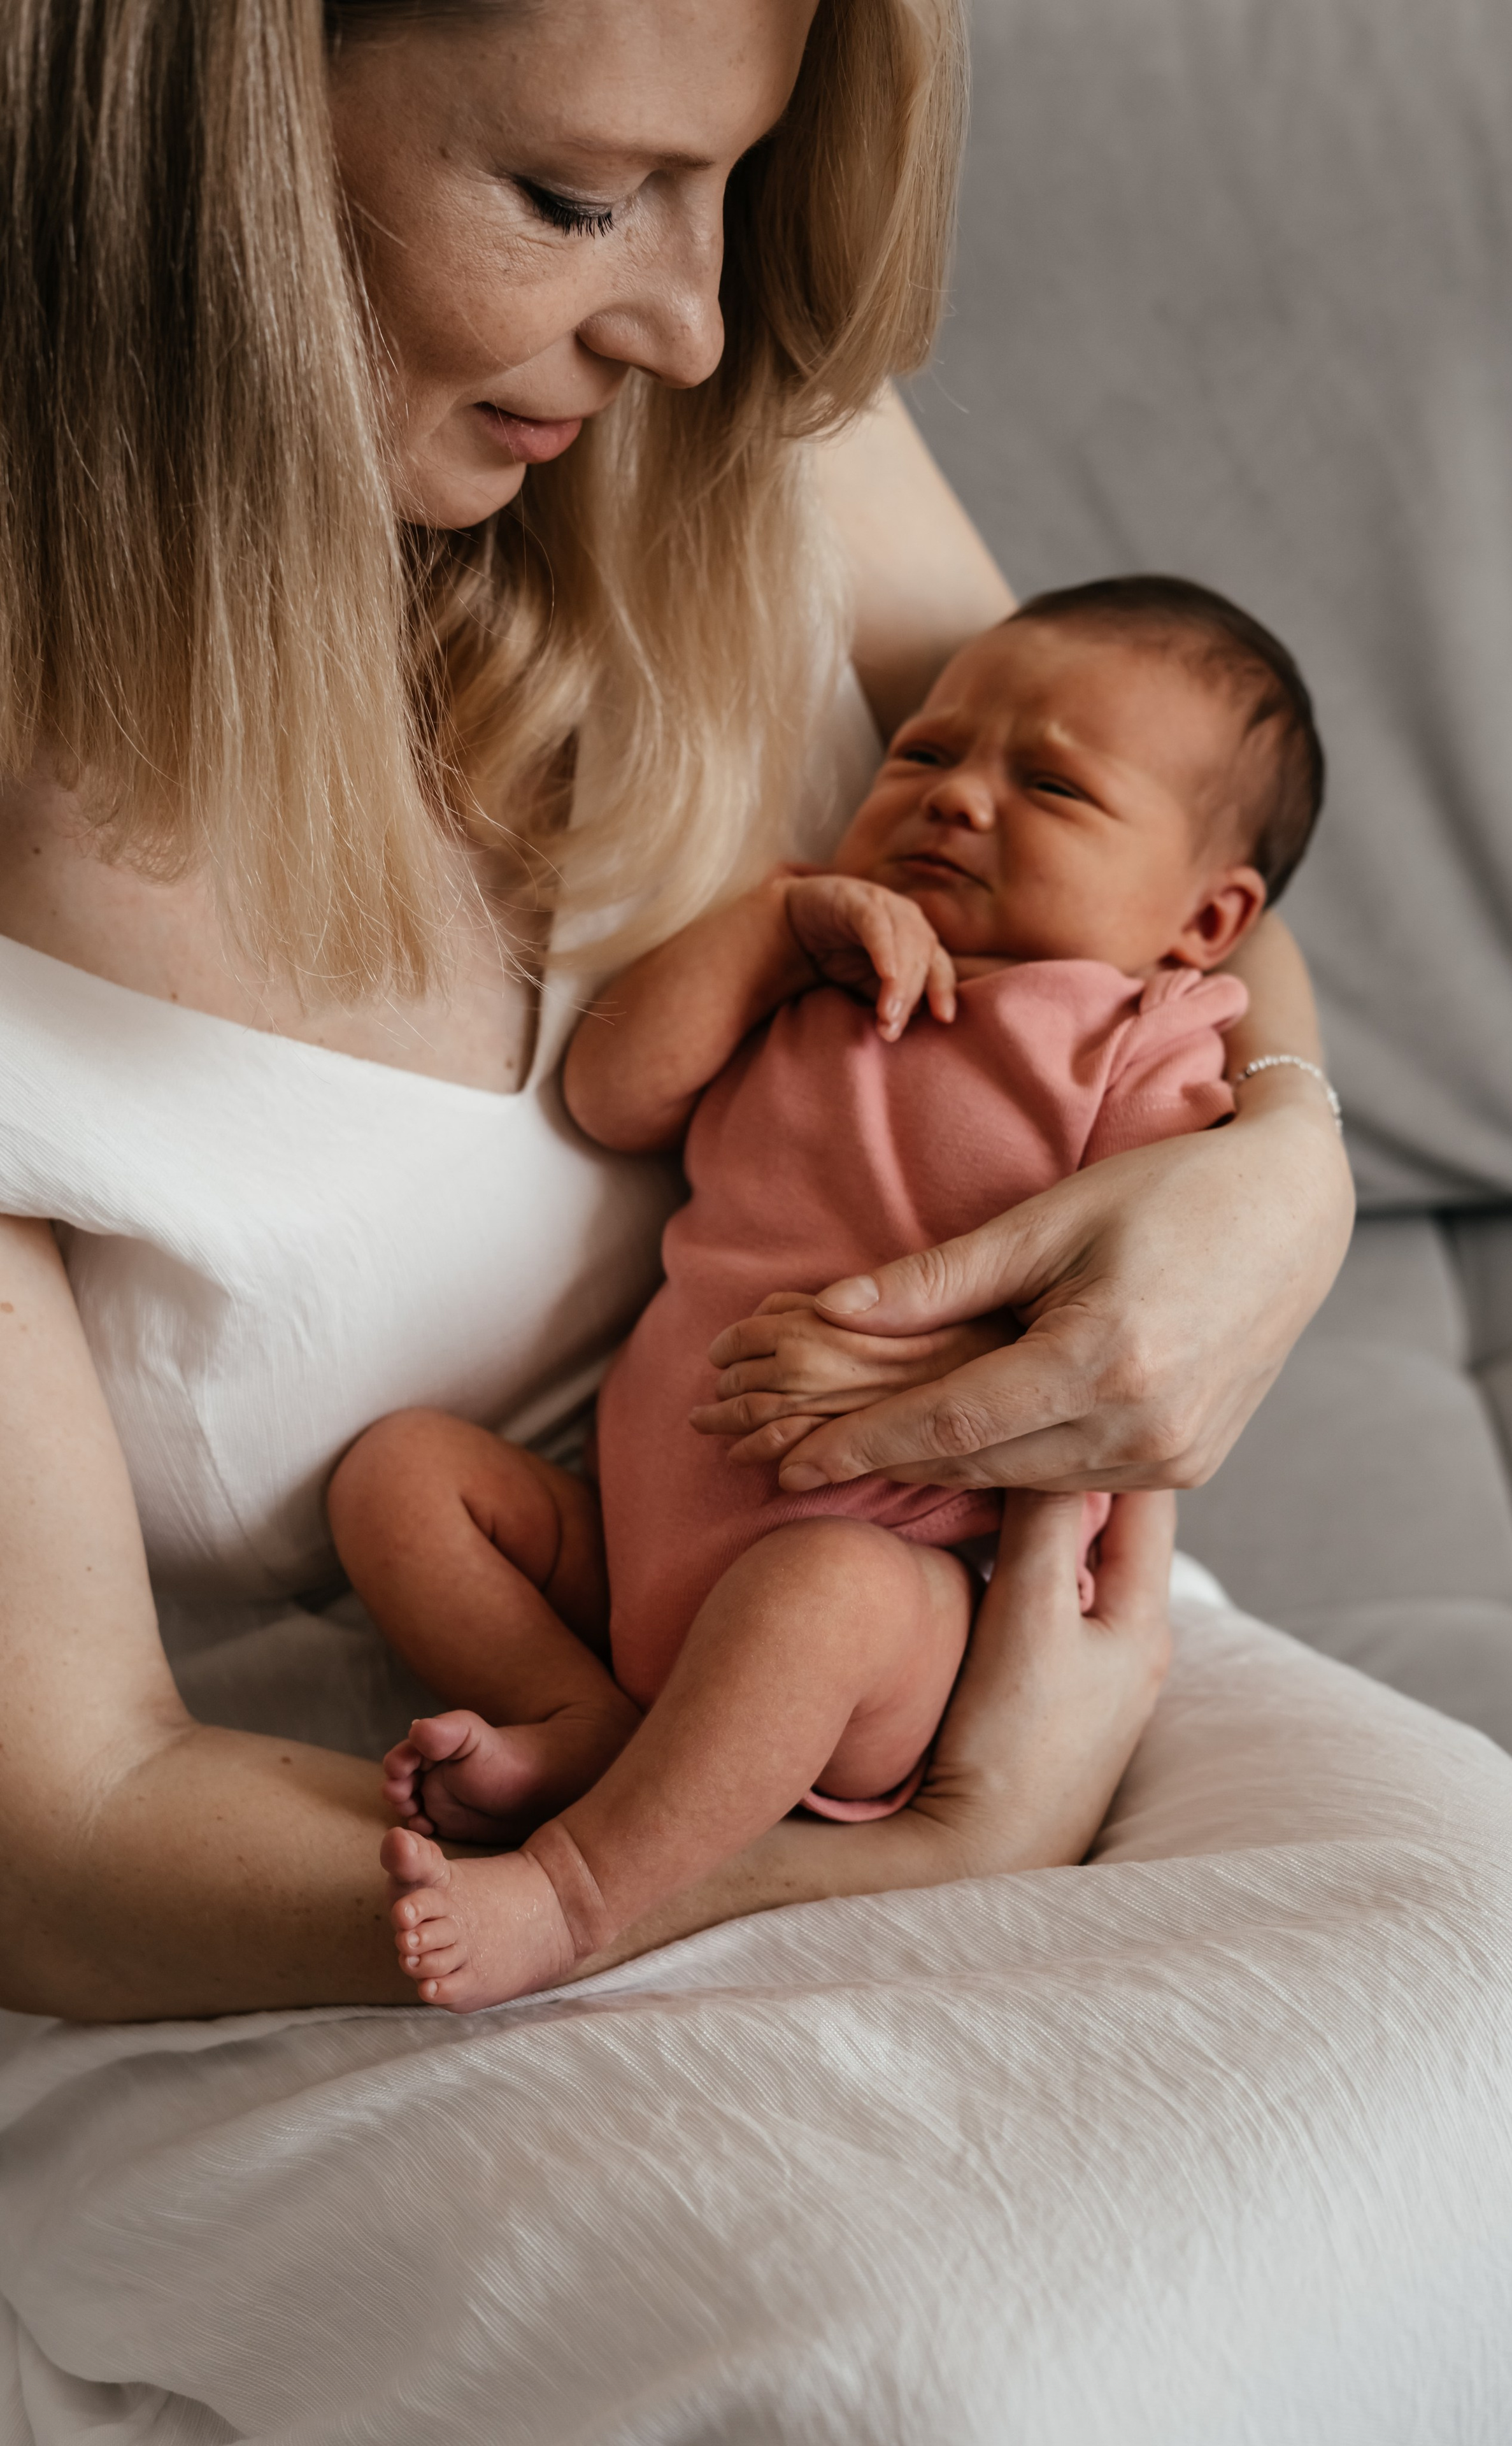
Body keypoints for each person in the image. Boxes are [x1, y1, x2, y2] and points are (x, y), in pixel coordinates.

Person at [0, 0, 1352, 2027]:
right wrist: (909, 1865)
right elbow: (74, 1857)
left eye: (736, 182)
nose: (700, 330)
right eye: (576, 198)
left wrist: (1290, 1164)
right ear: (196, 129)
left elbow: (1163, 850)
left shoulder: (731, 420)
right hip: (344, 1898)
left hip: (1010, 1661)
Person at [327, 575, 1326, 2010]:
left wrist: (926, 1371)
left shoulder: (1135, 1043)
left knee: (814, 1594)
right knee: (401, 1476)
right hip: (638, 1541)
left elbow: (1124, 1327)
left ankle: (575, 1885)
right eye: (923, 753)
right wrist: (778, 929)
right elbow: (613, 1094)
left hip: (887, 1607)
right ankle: (589, 1722)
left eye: (1050, 783)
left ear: (1204, 917)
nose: (956, 798)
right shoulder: (821, 962)